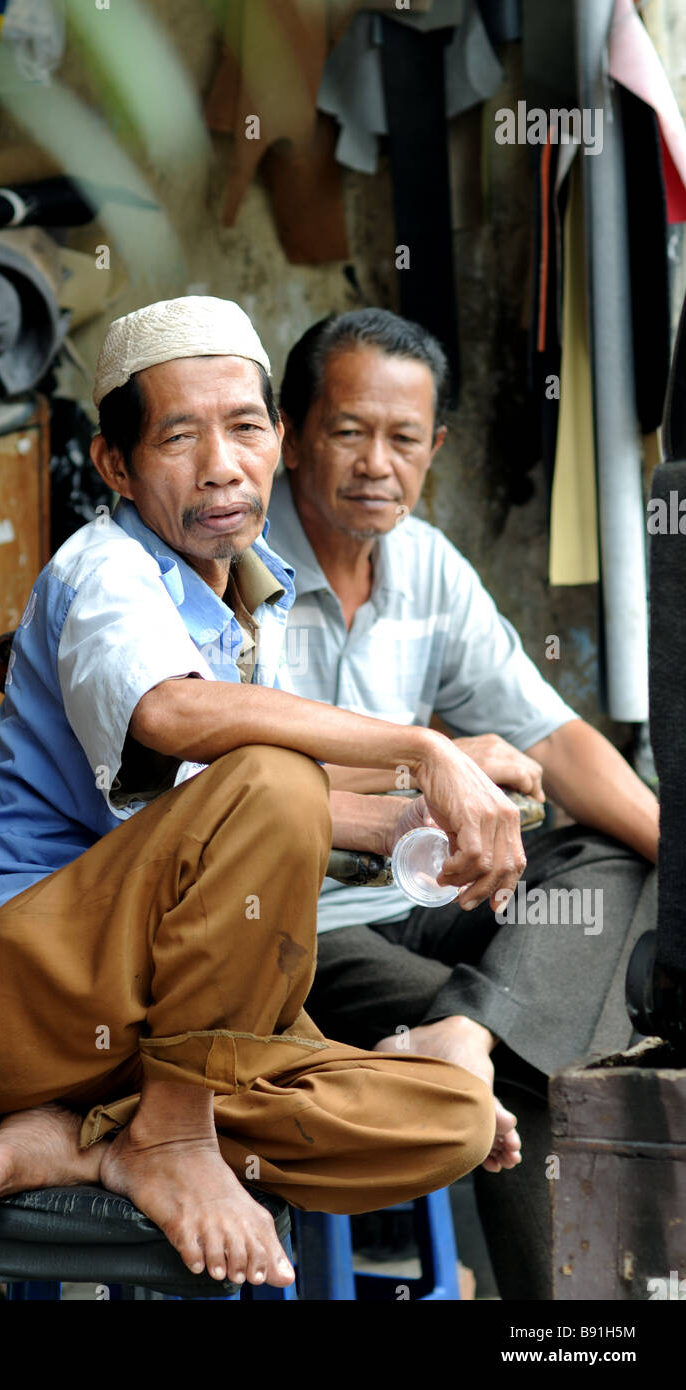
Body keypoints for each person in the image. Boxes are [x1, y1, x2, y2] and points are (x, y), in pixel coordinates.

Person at [0, 296, 526, 1291]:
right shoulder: (105, 570)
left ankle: (95, 1136)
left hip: (143, 1033)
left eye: (243, 427)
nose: (221, 466)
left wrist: (432, 791)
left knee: (447, 1118)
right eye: (178, 437)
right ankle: (170, 1136)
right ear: (114, 465)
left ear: (277, 437)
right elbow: (176, 720)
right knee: (270, 775)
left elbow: (242, 806)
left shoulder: (243, 587)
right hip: (17, 1000)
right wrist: (421, 749)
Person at [266, 306, 660, 1297]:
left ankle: (468, 1032)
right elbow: (230, 792)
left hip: (420, 901)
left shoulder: (426, 564)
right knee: (556, 1044)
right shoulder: (240, 571)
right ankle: (566, 1324)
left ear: (433, 446)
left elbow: (553, 735)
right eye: (348, 430)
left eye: (402, 439)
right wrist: (430, 760)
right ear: (292, 431)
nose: (374, 463)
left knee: (612, 861)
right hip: (290, 923)